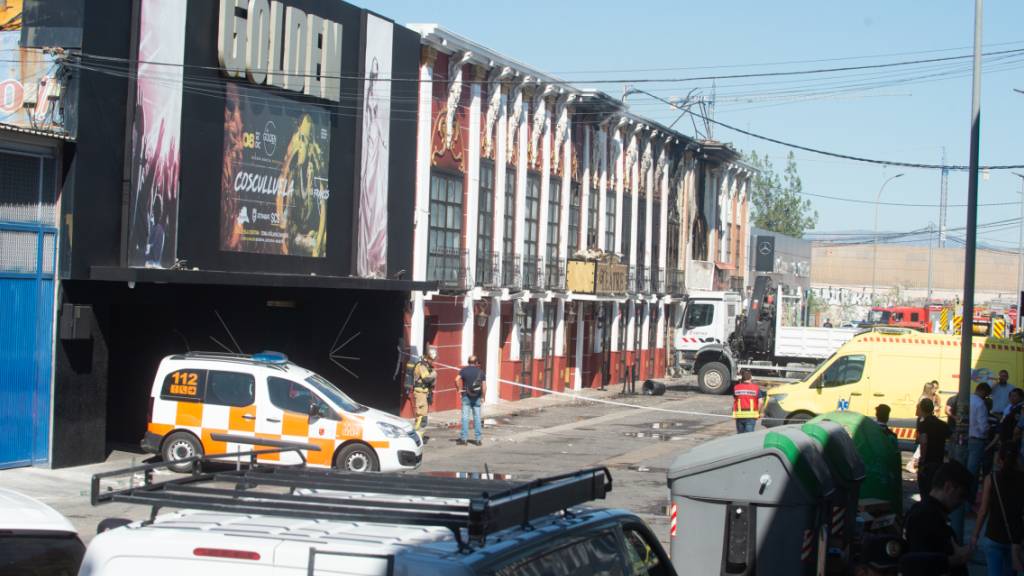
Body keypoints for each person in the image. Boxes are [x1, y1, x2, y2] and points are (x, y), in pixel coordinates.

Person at [903, 461, 974, 576]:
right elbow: (920, 563)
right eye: (961, 495)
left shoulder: (928, 512)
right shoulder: (925, 516)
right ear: (948, 487)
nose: (961, 502)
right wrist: (958, 559)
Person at [969, 446, 1024, 576]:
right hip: (1015, 537)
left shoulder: (992, 478)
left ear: (999, 460)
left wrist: (975, 535)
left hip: (993, 534)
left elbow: (983, 510)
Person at [916, 398, 951, 498]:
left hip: (927, 462)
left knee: (924, 491)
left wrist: (922, 460)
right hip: (938, 461)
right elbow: (951, 438)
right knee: (934, 491)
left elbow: (924, 443)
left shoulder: (923, 425)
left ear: (922, 409)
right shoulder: (942, 424)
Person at [910, 381, 943, 473]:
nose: (935, 390)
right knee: (923, 443)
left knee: (923, 443)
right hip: (923, 421)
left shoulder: (927, 397)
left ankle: (914, 462)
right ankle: (913, 462)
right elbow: (921, 411)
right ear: (929, 389)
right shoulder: (924, 398)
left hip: (924, 420)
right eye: (933, 388)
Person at [968, 382, 993, 499]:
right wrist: (988, 430)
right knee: (973, 472)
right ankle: (970, 500)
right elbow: (983, 426)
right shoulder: (980, 404)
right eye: (987, 395)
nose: (986, 397)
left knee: (965, 469)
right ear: (983, 391)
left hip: (965, 438)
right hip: (977, 439)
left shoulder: (967, 399)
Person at [455, 356, 485, 446]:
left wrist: (459, 389)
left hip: (466, 396)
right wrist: (483, 397)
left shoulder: (464, 370)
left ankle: (464, 439)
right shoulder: (480, 372)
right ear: (476, 362)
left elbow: (456, 379)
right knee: (477, 418)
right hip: (477, 397)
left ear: (468, 362)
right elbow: (484, 386)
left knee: (465, 418)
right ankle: (478, 440)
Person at [411, 347, 437, 432]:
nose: (433, 361)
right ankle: (416, 433)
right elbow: (426, 379)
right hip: (420, 392)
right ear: (428, 358)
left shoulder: (427, 366)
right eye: (432, 360)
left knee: (424, 415)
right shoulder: (421, 365)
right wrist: (434, 374)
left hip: (424, 392)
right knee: (421, 415)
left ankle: (419, 434)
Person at [732, 369, 766, 434]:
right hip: (751, 416)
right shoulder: (755, 388)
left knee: (740, 437)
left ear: (742, 378)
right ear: (751, 378)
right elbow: (761, 402)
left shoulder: (736, 387)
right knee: (748, 437)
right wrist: (758, 412)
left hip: (739, 416)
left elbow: (735, 399)